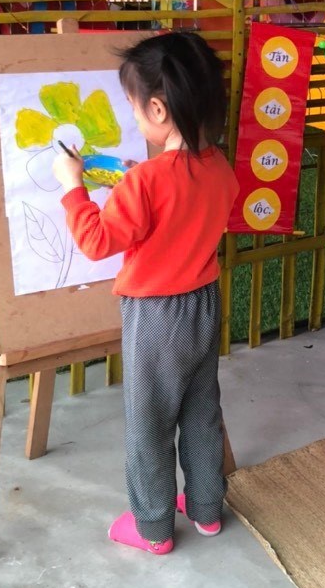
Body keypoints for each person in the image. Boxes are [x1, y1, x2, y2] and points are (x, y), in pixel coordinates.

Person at [53, 31, 239, 555]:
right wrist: (146, 183)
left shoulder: (145, 183)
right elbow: (187, 207)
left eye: (134, 109)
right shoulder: (219, 166)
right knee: (201, 411)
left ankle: (154, 528)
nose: (135, 119)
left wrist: (72, 187)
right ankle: (207, 510)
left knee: (149, 422)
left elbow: (96, 241)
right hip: (204, 304)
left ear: (158, 109)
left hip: (155, 316)